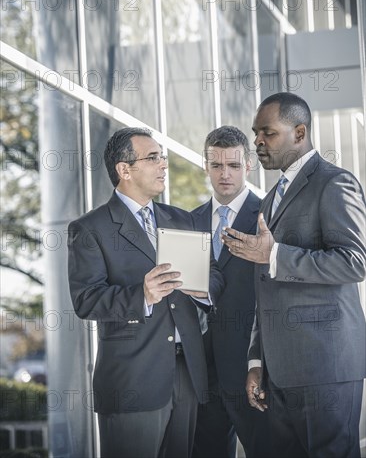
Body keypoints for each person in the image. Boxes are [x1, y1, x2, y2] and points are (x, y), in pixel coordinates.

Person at [222, 93, 366, 458]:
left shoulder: (335, 183)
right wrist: (257, 362)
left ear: (299, 132)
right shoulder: (269, 199)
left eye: (267, 133)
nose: (256, 142)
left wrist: (275, 254)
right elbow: (265, 289)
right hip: (278, 375)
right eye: (255, 133)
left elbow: (354, 261)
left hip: (325, 367)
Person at [67, 127, 224, 458]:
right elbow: (86, 300)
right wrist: (142, 295)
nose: (163, 165)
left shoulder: (183, 220)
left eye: (162, 157)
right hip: (132, 380)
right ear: (125, 170)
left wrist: (202, 289)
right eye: (153, 158)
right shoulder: (90, 229)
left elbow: (215, 275)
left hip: (188, 375)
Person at [192, 126, 271, 458]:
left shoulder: (270, 217)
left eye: (234, 166)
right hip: (201, 374)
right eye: (216, 165)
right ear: (206, 166)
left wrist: (263, 361)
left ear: (248, 166)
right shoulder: (187, 221)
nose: (225, 174)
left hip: (250, 370)